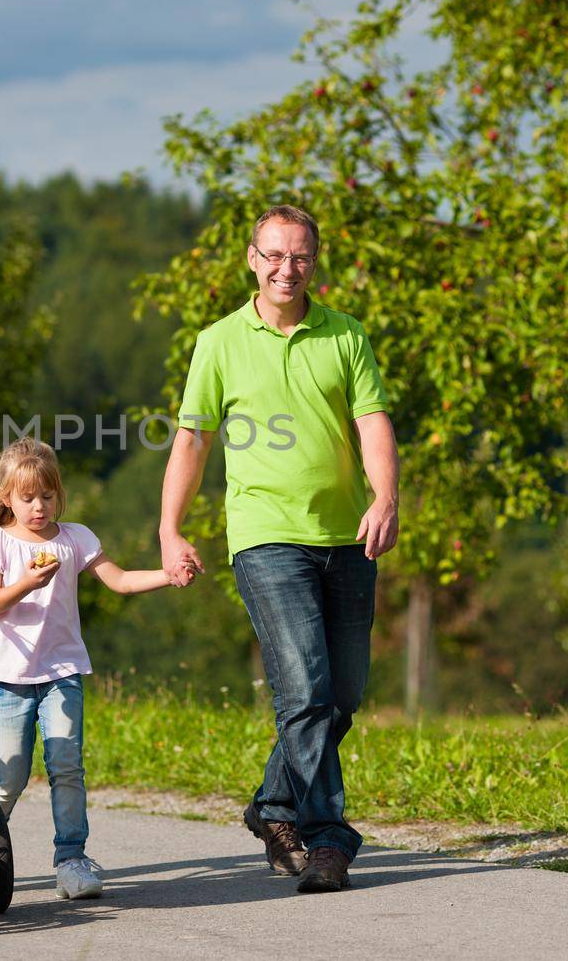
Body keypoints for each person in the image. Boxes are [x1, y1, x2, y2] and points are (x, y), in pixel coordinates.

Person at [158, 204, 399, 893]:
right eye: (273, 255)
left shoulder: (346, 336)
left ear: (313, 263)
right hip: (265, 537)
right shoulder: (219, 341)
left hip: (347, 536)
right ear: (251, 259)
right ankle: (329, 837)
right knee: (305, 688)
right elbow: (193, 440)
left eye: (299, 257)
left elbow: (373, 423)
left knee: (341, 695)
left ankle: (272, 802)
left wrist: (384, 497)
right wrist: (171, 528)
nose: (285, 269)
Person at [0, 437, 178, 900]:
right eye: (27, 498)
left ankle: (71, 859)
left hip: (62, 670)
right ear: (7, 497)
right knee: (12, 773)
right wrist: (27, 582)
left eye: (47, 495)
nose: (39, 506)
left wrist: (168, 574)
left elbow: (120, 581)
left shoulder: (75, 538)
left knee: (66, 766)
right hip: (9, 676)